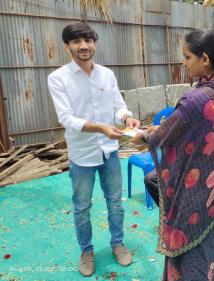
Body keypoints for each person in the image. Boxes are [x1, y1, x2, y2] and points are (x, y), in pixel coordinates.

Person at [131, 29, 214, 281]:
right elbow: (194, 130)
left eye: (187, 58)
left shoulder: (195, 98)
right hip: (213, 186)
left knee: (190, 250)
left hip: (193, 190)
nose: (184, 63)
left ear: (205, 59)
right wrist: (163, 128)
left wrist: (144, 136)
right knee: (206, 245)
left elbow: (162, 136)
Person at [47, 22, 139, 277]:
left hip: (109, 151)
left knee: (116, 204)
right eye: (77, 41)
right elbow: (66, 119)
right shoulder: (58, 78)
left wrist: (126, 118)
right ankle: (86, 251)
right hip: (81, 156)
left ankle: (118, 243)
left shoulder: (107, 74)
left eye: (88, 40)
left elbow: (118, 106)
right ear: (67, 46)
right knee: (82, 208)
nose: (84, 46)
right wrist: (101, 128)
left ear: (94, 43)